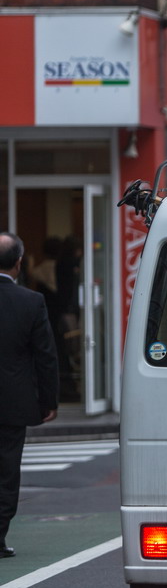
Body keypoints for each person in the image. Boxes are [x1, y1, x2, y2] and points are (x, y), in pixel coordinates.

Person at [0, 232, 59, 559]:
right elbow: (45, 355)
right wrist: (48, 400)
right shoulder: (31, 302)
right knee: (7, 470)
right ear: (19, 263)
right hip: (12, 401)